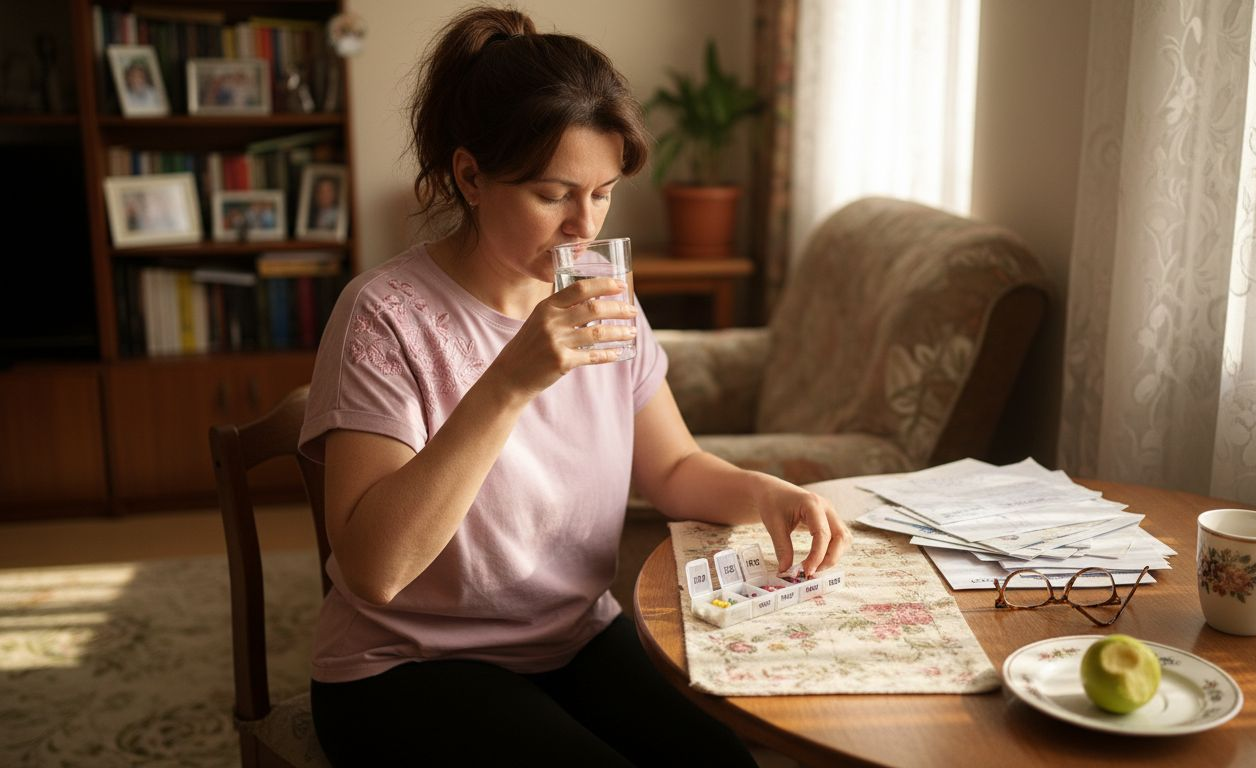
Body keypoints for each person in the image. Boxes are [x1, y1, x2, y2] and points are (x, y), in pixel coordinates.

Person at [299, 6, 850, 765]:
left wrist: (765, 494)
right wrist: (510, 381)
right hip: (408, 665)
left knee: (723, 761)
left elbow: (675, 470)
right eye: (553, 194)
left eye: (603, 193)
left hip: (572, 637)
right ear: (470, 175)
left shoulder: (603, 296)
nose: (582, 228)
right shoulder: (385, 316)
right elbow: (373, 569)